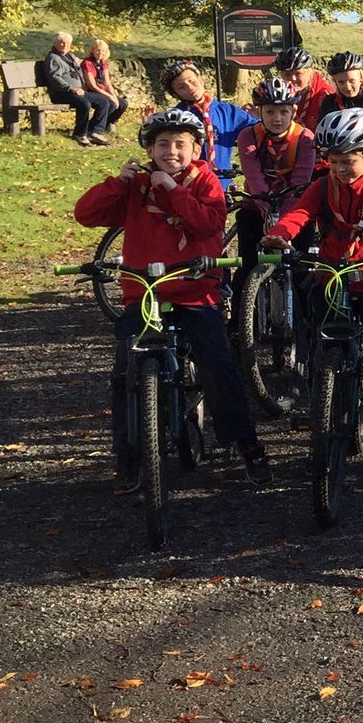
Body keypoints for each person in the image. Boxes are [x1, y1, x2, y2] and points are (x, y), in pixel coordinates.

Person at [74, 106, 271, 489]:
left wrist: (172, 188)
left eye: (181, 144)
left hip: (195, 293)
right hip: (143, 295)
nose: (171, 151)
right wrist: (118, 182)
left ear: (196, 149)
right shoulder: (136, 185)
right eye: (162, 144)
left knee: (218, 367)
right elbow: (86, 213)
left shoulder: (205, 181)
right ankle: (129, 456)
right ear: (149, 149)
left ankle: (248, 446)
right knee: (123, 372)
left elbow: (208, 223)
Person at [263, 108, 363, 475]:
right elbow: (299, 214)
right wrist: (281, 233)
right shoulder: (321, 187)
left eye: (348, 162)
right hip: (330, 274)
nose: (341, 170)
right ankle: (323, 403)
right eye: (334, 162)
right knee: (319, 347)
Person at [232, 76, 316, 267]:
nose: (276, 119)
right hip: (258, 205)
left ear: (293, 112)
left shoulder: (305, 138)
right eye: (269, 112)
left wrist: (282, 221)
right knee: (247, 264)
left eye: (283, 112)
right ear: (259, 112)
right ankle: (244, 293)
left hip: (294, 207)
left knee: (302, 267)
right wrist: (267, 212)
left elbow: (300, 182)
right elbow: (253, 177)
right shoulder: (248, 136)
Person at [159, 57, 256, 188]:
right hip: (189, 184)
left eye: (192, 81)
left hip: (222, 184)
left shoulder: (228, 112)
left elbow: (259, 130)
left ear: (200, 79)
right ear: (176, 94)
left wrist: (264, 116)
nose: (190, 88)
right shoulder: (176, 117)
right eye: (182, 87)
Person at [43, 32, 116, 146]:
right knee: (84, 103)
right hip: (62, 92)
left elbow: (80, 66)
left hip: (78, 91)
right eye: (61, 43)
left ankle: (95, 132)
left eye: (67, 43)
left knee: (103, 102)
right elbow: (55, 78)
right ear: (55, 43)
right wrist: (71, 88)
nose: (64, 45)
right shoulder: (54, 58)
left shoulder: (70, 56)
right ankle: (80, 134)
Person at [311, 51, 363, 127]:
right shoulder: (330, 103)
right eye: (341, 82)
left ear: (361, 78)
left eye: (352, 81)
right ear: (335, 82)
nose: (347, 87)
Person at [80, 38, 129, 142]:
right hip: (91, 91)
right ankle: (96, 131)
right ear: (92, 50)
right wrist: (109, 96)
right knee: (107, 102)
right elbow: (92, 85)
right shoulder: (87, 63)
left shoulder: (104, 63)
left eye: (103, 51)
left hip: (102, 91)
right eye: (97, 50)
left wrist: (114, 96)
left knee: (122, 104)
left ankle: (101, 125)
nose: (100, 53)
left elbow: (107, 83)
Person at [273, 47, 332, 130]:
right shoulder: (278, 94)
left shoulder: (326, 96)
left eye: (298, 73)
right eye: (287, 74)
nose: (293, 78)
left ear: (310, 71)